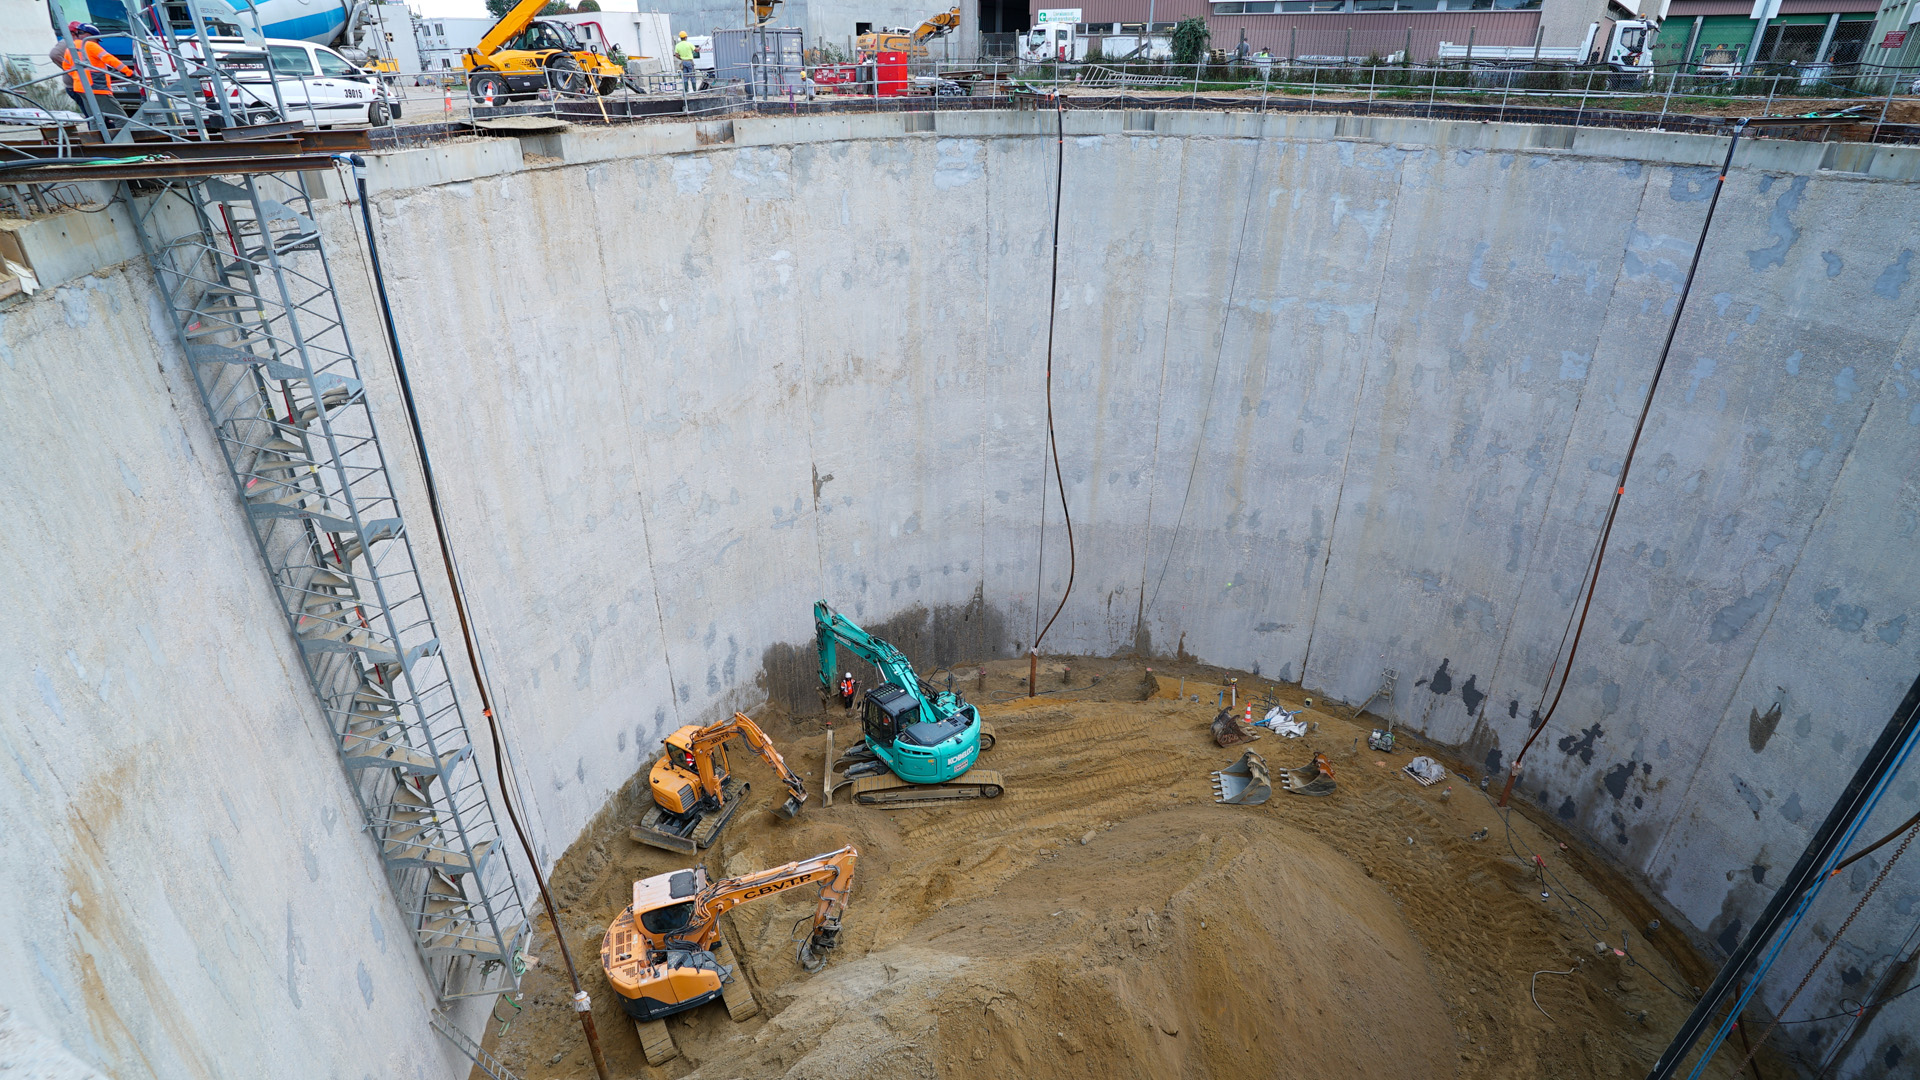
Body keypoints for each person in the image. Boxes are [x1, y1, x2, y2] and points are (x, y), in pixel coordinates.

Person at [55, 23, 136, 133]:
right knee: (120, 118)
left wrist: (79, 77)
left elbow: (66, 66)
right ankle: (124, 141)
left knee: (95, 118)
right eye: (97, 40)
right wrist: (129, 73)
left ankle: (96, 143)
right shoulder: (90, 45)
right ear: (90, 35)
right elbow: (110, 59)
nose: (97, 42)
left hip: (81, 88)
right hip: (97, 87)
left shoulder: (71, 48)